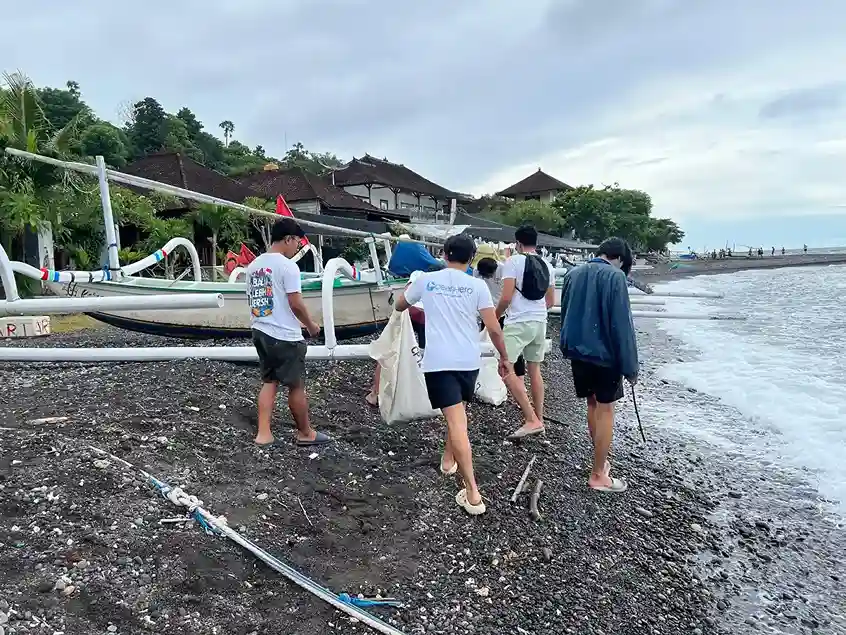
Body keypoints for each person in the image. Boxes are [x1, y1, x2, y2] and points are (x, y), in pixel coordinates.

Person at [396, 234, 512, 516]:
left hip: (439, 362)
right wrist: (504, 358)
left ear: (444, 254)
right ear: (471, 258)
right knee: (457, 413)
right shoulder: (477, 286)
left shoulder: (426, 280)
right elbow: (494, 328)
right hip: (467, 362)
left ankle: (472, 493)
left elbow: (399, 304)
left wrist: (412, 287)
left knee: (458, 423)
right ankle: (448, 461)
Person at [559, 237, 638, 493]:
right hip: (605, 356)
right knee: (606, 409)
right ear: (621, 259)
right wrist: (631, 367)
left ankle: (600, 461)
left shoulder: (573, 273)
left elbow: (566, 311)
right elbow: (622, 326)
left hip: (578, 352)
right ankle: (597, 473)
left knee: (592, 403)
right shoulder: (615, 277)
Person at [246, 218, 332, 447]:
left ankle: (263, 433)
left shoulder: (253, 266)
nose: (297, 248)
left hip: (260, 330)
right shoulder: (287, 266)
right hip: (284, 335)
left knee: (270, 381)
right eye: (297, 242)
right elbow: (295, 303)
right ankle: (305, 432)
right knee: (296, 385)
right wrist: (311, 325)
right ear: (288, 239)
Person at [494, 225, 556, 440]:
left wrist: (494, 317)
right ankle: (539, 419)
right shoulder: (548, 265)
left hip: (518, 323)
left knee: (504, 368)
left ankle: (531, 420)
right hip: (540, 322)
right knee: (534, 370)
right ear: (536, 242)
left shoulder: (512, 262)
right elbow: (551, 301)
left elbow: (506, 297)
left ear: (518, 243)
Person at [476, 257, 526, 377]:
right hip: (486, 312)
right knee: (486, 342)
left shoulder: (504, 270)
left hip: (503, 312)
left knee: (510, 343)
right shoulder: (477, 272)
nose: (487, 278)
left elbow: (509, 293)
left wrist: (500, 312)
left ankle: (518, 375)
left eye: (489, 275)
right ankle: (489, 371)